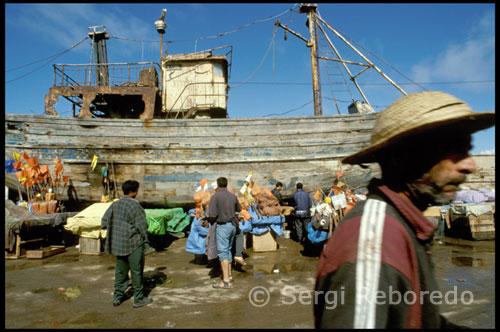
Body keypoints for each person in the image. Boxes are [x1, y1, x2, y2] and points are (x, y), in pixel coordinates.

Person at [314, 91, 495, 328]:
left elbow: (420, 319)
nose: (470, 165)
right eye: (455, 150)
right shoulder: (373, 243)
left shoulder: (404, 225)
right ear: (406, 155)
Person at [101, 180, 153, 308]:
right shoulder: (135, 206)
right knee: (136, 272)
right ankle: (138, 299)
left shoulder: (115, 205)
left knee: (120, 272)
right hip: (134, 244)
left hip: (119, 244)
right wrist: (146, 242)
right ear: (135, 191)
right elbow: (142, 227)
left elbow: (104, 222)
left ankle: (117, 297)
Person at [208, 177, 242, 289]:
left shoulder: (215, 197)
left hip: (223, 226)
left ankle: (226, 281)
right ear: (227, 184)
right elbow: (239, 209)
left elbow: (212, 215)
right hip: (233, 226)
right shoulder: (233, 196)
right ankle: (230, 275)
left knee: (223, 252)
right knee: (228, 250)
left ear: (218, 185)